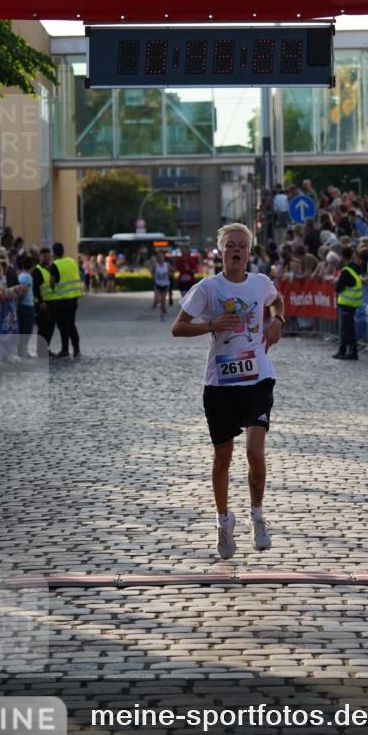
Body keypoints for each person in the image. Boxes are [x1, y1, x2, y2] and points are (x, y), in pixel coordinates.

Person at [171, 223, 284, 559]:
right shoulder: (208, 289)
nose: (237, 250)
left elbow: (277, 302)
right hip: (220, 384)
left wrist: (278, 321)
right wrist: (210, 325)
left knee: (254, 453)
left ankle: (257, 516)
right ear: (220, 252)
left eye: (242, 246)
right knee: (223, 457)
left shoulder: (261, 283)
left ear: (249, 252)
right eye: (230, 245)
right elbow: (178, 327)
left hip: (257, 379)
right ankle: (223, 521)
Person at [51, 242, 83, 358]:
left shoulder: (55, 265)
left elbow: (52, 282)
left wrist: (52, 288)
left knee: (63, 326)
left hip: (61, 300)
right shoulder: (71, 261)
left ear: (53, 253)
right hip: (74, 298)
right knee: (71, 325)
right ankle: (77, 349)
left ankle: (65, 350)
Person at [333, 245, 363, 360]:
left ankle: (352, 351)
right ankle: (343, 350)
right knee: (346, 328)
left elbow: (339, 287)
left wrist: (337, 283)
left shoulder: (347, 271)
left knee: (348, 329)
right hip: (353, 303)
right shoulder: (356, 268)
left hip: (346, 303)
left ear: (342, 257)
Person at [152, 251, 171, 320]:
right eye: (159, 257)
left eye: (161, 256)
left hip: (165, 284)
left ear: (164, 257)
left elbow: (170, 274)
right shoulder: (155, 265)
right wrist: (154, 280)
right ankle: (161, 311)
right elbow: (153, 273)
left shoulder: (167, 265)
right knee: (158, 299)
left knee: (163, 300)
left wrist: (168, 274)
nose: (160, 258)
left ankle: (162, 313)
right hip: (157, 284)